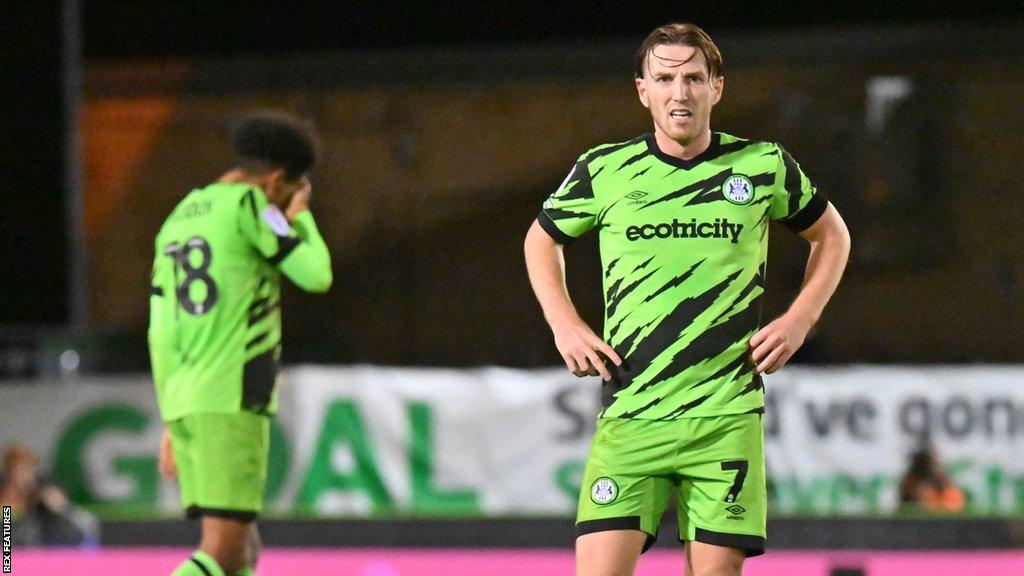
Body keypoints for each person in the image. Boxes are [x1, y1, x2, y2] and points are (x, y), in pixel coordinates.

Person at [523, 23, 850, 576]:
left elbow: (832, 235)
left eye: (694, 77)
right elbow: (541, 238)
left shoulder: (762, 165)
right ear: (642, 89)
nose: (681, 92)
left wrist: (801, 318)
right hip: (631, 413)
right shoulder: (605, 170)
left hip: (725, 416)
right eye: (666, 77)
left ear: (717, 87)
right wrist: (564, 323)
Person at [149, 110, 332, 576]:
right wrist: (302, 220)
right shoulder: (252, 207)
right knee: (223, 554)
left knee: (244, 552)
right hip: (231, 395)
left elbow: (162, 329)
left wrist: (172, 416)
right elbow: (316, 275)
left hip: (189, 399)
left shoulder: (180, 216)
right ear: (275, 181)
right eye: (291, 191)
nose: (288, 204)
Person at [0, 443, 98, 546]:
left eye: (26, 469)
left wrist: (60, 506)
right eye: (16, 469)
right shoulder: (4, 492)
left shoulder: (44, 490)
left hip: (37, 549)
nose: (21, 475)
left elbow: (82, 523)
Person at [898, 447, 965, 513]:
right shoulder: (910, 482)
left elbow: (954, 509)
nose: (929, 468)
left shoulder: (949, 489)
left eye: (931, 464)